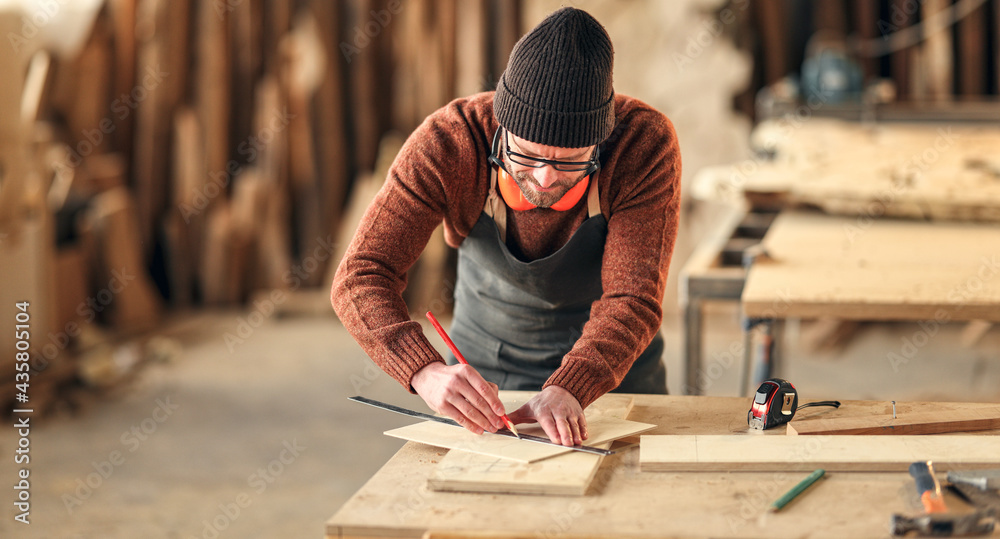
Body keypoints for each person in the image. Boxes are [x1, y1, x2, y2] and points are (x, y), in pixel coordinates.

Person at [333, 7, 681, 446]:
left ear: (600, 139)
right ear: (502, 128)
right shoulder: (448, 143)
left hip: (614, 376)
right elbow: (361, 274)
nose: (544, 178)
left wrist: (572, 385)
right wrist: (424, 369)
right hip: (487, 377)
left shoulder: (642, 145)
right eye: (528, 155)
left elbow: (632, 298)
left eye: (570, 161)